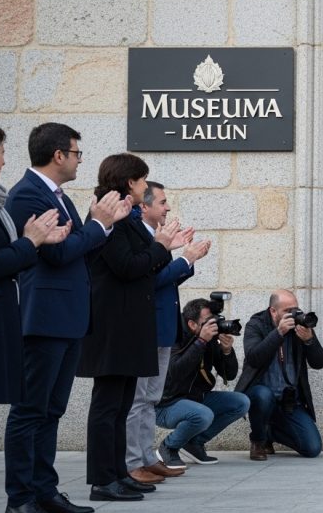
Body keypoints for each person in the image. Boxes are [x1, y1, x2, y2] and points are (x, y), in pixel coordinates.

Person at [4, 123, 130, 513]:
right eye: (77, 153)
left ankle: (45, 490)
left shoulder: (57, 196)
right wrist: (97, 225)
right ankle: (21, 498)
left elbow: (77, 250)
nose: (79, 161)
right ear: (58, 155)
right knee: (29, 412)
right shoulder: (27, 194)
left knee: (52, 411)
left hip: (68, 318)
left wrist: (103, 228)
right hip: (43, 319)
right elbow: (55, 254)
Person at [78, 153, 188, 502]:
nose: (145, 186)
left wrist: (161, 245)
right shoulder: (109, 215)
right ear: (130, 182)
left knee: (123, 404)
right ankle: (101, 480)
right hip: (113, 327)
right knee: (108, 405)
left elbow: (145, 265)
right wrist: (161, 246)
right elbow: (128, 267)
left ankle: (119, 473)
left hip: (129, 326)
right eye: (143, 181)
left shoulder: (127, 218)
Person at [125, 181, 211, 484]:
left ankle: (148, 458)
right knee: (138, 400)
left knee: (150, 398)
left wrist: (186, 260)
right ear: (144, 206)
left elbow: (165, 281)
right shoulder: (139, 237)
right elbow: (150, 280)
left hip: (161, 328)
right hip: (145, 328)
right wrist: (186, 258)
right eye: (162, 202)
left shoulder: (154, 237)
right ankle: (133, 461)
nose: (168, 207)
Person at [0, 121, 68, 427]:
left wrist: (32, 243)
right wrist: (30, 242)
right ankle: (23, 478)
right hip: (4, 322)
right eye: (1, 152)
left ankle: (40, 478)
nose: (5, 160)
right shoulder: (20, 196)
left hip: (3, 321)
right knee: (30, 410)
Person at [154, 298, 249, 469]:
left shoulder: (209, 339)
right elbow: (176, 372)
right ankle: (168, 447)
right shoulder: (174, 336)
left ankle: (193, 443)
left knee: (241, 402)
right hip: (166, 404)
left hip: (197, 398)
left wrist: (227, 351)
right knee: (203, 415)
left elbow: (230, 374)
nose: (212, 326)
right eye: (207, 322)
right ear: (192, 324)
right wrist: (201, 342)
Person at [236, 289, 323, 460]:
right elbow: (254, 358)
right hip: (262, 396)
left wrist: (309, 340)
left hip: (289, 402)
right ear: (273, 311)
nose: (293, 314)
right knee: (262, 395)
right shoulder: (256, 325)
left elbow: (319, 363)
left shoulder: (300, 325)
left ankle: (270, 432)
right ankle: (258, 440)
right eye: (287, 311)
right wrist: (278, 333)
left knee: (312, 448)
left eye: (295, 309)